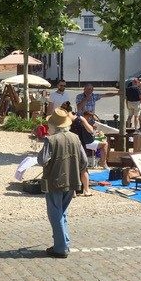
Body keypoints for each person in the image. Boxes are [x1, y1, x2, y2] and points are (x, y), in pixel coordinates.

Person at [37, 108, 87, 258]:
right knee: (62, 212)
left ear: (54, 126)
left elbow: (42, 160)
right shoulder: (75, 138)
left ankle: (60, 248)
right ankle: (64, 242)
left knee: (55, 214)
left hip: (54, 181)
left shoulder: (51, 140)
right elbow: (84, 162)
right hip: (72, 180)